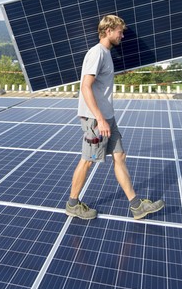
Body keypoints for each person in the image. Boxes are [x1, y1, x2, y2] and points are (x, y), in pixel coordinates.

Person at [65, 14, 165, 220]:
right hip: (95, 119)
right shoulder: (97, 53)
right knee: (88, 161)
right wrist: (100, 119)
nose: (122, 36)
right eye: (120, 31)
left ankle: (136, 206)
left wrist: (106, 118)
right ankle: (72, 204)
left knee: (119, 156)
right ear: (108, 31)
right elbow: (85, 87)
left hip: (107, 117)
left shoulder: (107, 53)